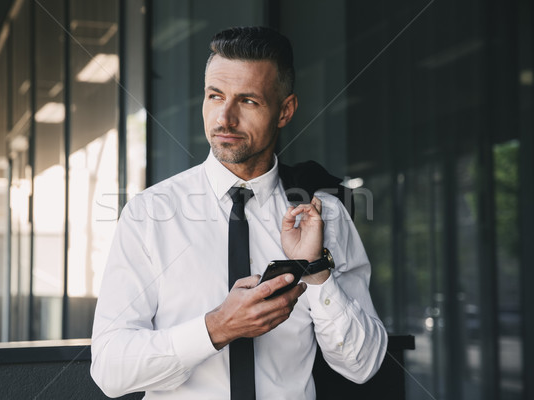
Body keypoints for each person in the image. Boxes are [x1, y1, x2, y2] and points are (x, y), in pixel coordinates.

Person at [90, 26, 387, 399]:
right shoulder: (148, 215)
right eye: (215, 96)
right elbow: (110, 369)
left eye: (247, 101)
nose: (224, 118)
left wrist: (318, 273)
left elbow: (363, 365)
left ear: (286, 110)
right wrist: (216, 328)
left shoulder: (323, 215)